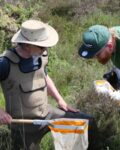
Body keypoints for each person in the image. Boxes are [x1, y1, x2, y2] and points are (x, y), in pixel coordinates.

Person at [0, 19, 96, 150]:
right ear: (27, 45)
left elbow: (44, 77)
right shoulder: (5, 63)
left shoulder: (41, 55)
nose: (45, 49)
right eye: (41, 46)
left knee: (87, 122)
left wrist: (60, 100)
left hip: (47, 113)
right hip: (23, 124)